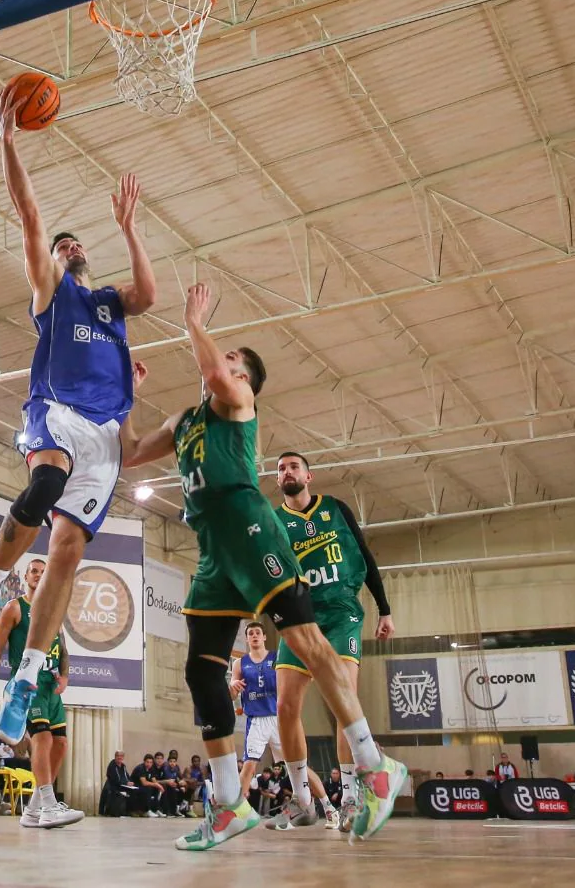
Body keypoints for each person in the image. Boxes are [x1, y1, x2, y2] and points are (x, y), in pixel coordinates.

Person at [121, 282, 407, 850]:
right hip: (214, 550)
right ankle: (230, 804)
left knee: (304, 641)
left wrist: (193, 323)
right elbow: (129, 454)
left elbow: (214, 374)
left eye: (230, 360)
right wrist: (125, 394)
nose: (219, 362)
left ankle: (376, 766)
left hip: (252, 529)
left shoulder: (237, 404)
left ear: (244, 379)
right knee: (202, 671)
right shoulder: (184, 421)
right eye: (220, 356)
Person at [0, 86, 157, 753]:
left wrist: (131, 230)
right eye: (63, 243)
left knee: (68, 555)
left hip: (104, 439)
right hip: (56, 414)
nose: (70, 246)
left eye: (77, 243)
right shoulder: (53, 292)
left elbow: (148, 294)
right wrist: (7, 140)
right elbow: (29, 213)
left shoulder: (109, 306)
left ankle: (27, 679)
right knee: (44, 484)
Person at [271, 450, 392, 832]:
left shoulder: (335, 508)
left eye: (293, 466)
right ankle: (302, 799)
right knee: (286, 707)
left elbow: (366, 558)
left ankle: (354, 797)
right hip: (300, 618)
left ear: (309, 477)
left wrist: (384, 609)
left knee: (344, 703)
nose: (286, 471)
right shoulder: (274, 521)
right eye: (280, 469)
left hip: (340, 615)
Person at [0, 557, 82, 828]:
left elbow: (62, 645)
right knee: (42, 738)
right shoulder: (14, 608)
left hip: (51, 686)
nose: (38, 575)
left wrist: (65, 675)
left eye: (43, 572)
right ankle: (49, 806)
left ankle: (34, 809)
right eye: (34, 571)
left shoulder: (54, 609)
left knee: (60, 744)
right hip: (27, 683)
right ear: (25, 576)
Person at [231, 622, 283, 801]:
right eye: (250, 633)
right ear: (246, 639)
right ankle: (236, 809)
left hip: (278, 719)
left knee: (295, 766)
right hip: (256, 720)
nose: (254, 635)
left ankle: (324, 804)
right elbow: (232, 695)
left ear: (264, 637)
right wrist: (232, 686)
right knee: (249, 765)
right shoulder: (240, 663)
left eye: (257, 632)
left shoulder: (277, 657)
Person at [130, 753, 167, 818]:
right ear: (144, 762)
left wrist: (159, 786)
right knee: (148, 788)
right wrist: (156, 785)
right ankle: (147, 810)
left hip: (143, 786)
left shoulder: (151, 769)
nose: (149, 764)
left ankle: (156, 809)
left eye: (151, 762)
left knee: (156, 789)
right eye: (147, 762)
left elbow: (154, 780)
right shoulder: (141, 768)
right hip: (135, 787)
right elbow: (144, 782)